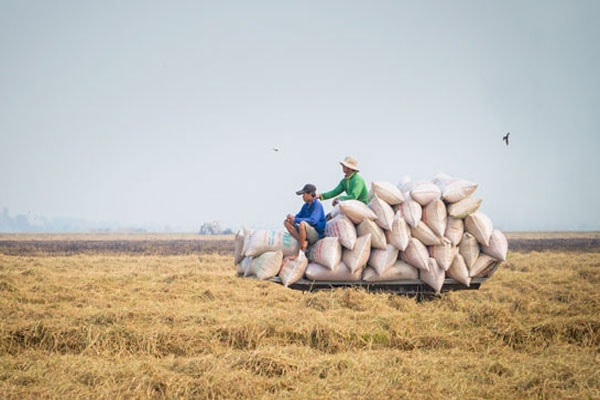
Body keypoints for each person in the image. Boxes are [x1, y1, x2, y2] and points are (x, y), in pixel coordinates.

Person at [284, 183, 326, 254]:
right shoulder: (305, 206)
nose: (302, 196)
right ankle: (303, 242)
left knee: (302, 224)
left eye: (304, 194)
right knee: (287, 222)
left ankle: (300, 252)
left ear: (310, 194)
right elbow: (298, 217)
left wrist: (296, 220)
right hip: (305, 232)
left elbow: (313, 221)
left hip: (316, 234)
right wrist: (291, 218)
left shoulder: (317, 205)